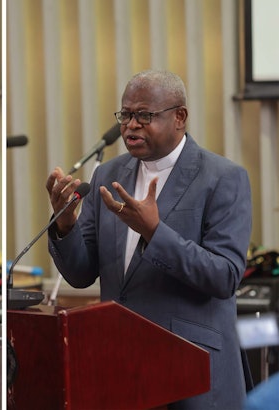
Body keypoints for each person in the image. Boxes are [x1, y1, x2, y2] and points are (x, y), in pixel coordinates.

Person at [45, 69, 252, 409]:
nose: (130, 126)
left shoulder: (223, 178)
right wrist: (65, 224)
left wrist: (154, 232)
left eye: (144, 115)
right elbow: (81, 274)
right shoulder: (107, 175)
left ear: (179, 117)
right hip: (121, 368)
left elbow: (224, 276)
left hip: (193, 370)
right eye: (125, 115)